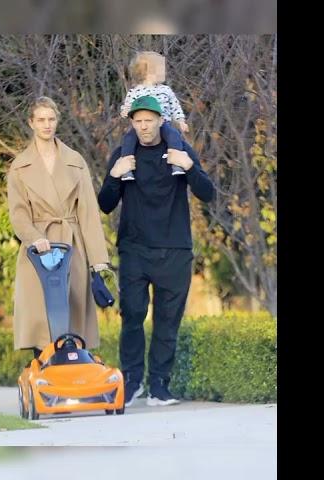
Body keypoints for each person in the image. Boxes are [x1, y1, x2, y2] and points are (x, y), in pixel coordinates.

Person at [98, 95, 216, 407]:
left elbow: (208, 193)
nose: (144, 126)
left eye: (149, 120)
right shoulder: (122, 155)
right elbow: (105, 204)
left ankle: (159, 387)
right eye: (138, 121)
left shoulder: (179, 151)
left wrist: (189, 167)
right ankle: (132, 381)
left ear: (161, 120)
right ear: (132, 123)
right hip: (135, 249)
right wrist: (113, 175)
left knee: (167, 320)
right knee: (133, 315)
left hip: (175, 249)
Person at [7, 96, 110, 359]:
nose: (46, 125)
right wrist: (34, 238)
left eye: (51, 119)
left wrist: (98, 260)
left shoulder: (75, 161)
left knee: (72, 316)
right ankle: (43, 376)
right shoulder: (19, 166)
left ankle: (73, 379)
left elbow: (88, 213)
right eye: (41, 120)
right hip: (37, 251)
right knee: (41, 318)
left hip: (71, 245)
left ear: (57, 121)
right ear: (31, 123)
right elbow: (18, 215)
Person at [119, 50, 189, 180]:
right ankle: (126, 169)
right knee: (129, 139)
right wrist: (124, 111)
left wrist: (180, 121)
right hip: (142, 126)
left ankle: (176, 165)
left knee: (174, 135)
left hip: (164, 124)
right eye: (161, 68)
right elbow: (127, 106)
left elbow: (175, 106)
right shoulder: (135, 91)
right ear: (148, 71)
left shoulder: (165, 90)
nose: (164, 72)